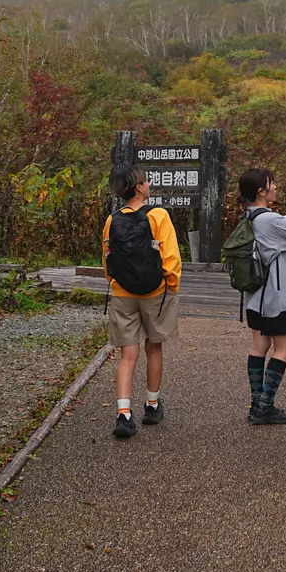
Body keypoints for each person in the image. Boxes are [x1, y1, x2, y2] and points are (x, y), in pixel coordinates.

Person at [101, 167, 181, 439]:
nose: (149, 184)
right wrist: (170, 286)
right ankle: (152, 405)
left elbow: (107, 258)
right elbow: (170, 257)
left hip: (123, 293)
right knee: (154, 348)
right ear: (138, 187)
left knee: (127, 354)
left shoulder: (112, 220)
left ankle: (124, 413)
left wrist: (115, 281)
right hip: (155, 292)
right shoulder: (158, 215)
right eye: (146, 181)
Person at [238, 166, 286, 425]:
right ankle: (265, 406)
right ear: (261, 192)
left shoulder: (249, 216)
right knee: (283, 348)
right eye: (271, 184)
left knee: (259, 347)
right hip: (275, 297)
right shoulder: (270, 220)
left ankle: (256, 404)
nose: (276, 187)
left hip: (254, 298)